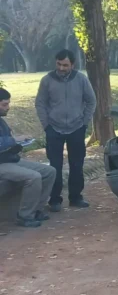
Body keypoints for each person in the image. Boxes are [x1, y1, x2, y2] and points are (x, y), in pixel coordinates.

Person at [34, 50, 96, 211]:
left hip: (77, 128)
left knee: (77, 164)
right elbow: (40, 103)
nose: (61, 68)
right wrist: (46, 124)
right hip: (54, 129)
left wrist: (84, 122)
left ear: (72, 65)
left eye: (65, 65)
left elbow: (91, 101)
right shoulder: (47, 80)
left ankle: (76, 197)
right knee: (55, 166)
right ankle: (54, 200)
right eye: (59, 64)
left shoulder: (81, 79)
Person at [0, 88, 56, 227]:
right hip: (2, 164)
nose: (8, 107)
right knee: (33, 177)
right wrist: (14, 140)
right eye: (4, 104)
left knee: (50, 171)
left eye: (8, 104)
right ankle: (25, 216)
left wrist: (19, 144)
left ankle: (37, 209)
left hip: (10, 159)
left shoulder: (2, 121)